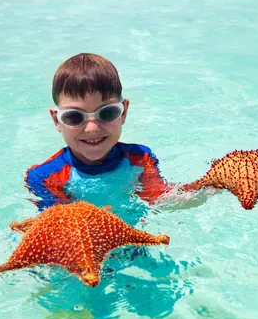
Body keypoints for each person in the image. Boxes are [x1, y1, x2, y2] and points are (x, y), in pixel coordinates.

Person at [24, 53, 172, 212]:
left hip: (133, 237)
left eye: (107, 113)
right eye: (74, 116)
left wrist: (199, 190)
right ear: (56, 120)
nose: (92, 128)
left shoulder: (141, 158)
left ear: (123, 112)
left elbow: (160, 200)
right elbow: (56, 227)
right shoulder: (44, 178)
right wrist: (95, 220)